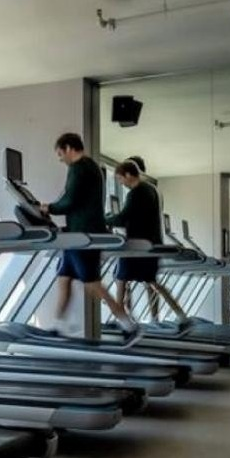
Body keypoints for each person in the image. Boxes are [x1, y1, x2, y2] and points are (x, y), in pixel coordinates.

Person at [39, 133, 143, 345]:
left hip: (82, 235)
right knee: (64, 279)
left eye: (60, 154)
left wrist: (48, 207)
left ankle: (129, 326)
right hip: (77, 234)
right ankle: (59, 326)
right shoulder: (92, 167)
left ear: (69, 148)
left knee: (92, 284)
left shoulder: (79, 168)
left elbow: (70, 200)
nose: (60, 159)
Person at [105, 157, 192, 332]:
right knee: (152, 282)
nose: (121, 184)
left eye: (120, 179)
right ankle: (181, 315)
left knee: (121, 278)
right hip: (150, 245)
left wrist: (104, 220)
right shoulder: (150, 190)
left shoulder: (136, 193)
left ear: (128, 175)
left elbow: (124, 217)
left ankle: (122, 320)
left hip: (138, 246)